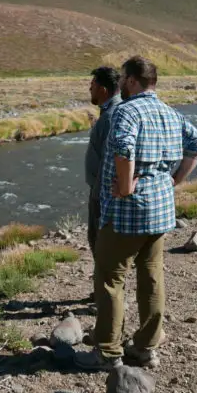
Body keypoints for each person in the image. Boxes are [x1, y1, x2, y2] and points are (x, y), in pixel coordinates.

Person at [75, 55, 197, 371]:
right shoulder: (170, 113)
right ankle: (146, 348)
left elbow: (123, 148)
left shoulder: (127, 111)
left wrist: (124, 186)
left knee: (110, 278)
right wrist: (174, 180)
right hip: (161, 211)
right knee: (151, 276)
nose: (120, 82)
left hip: (127, 211)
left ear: (133, 80)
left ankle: (108, 351)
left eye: (123, 78)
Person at [84, 66, 121, 255]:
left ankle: (105, 281)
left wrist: (98, 196)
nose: (90, 89)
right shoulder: (111, 111)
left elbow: (110, 160)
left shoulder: (111, 116)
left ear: (103, 90)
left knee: (99, 242)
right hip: (103, 190)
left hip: (102, 193)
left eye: (92, 85)